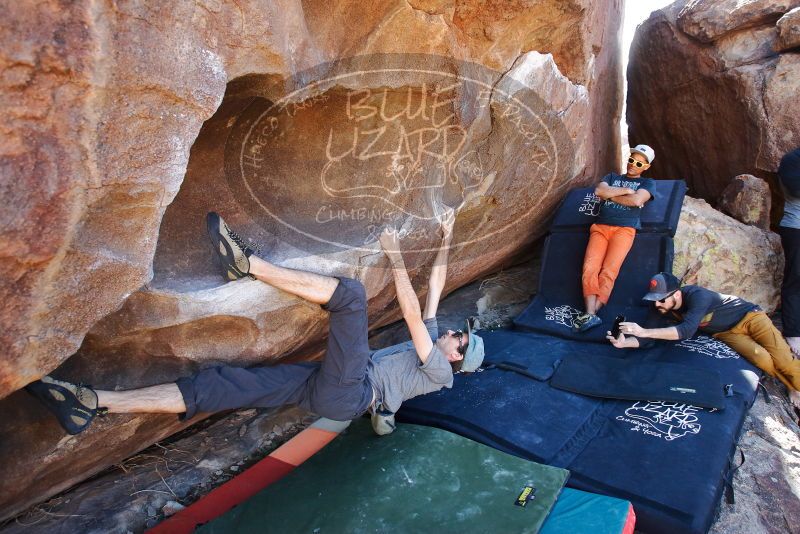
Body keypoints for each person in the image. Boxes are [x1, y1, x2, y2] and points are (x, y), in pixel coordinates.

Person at [27, 211, 485, 436]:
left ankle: (249, 266)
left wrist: (395, 253)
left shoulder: (440, 372)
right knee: (221, 386)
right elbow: (434, 291)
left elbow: (409, 310)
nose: (451, 333)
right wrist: (446, 235)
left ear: (456, 358)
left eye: (459, 338)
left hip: (351, 389)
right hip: (328, 388)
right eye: (458, 331)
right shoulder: (438, 352)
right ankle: (93, 402)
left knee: (351, 297)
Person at [607, 272, 800, 408]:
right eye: (654, 299)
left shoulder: (698, 296)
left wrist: (643, 332)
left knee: (784, 360)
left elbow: (686, 331)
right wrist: (627, 342)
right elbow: (647, 338)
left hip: (750, 318)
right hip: (726, 332)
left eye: (661, 299)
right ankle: (792, 385)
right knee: (762, 359)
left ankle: (795, 386)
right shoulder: (660, 307)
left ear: (676, 294)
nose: (657, 304)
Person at [573, 144, 657, 332]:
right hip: (600, 227)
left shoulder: (647, 183)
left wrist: (611, 195)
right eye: (631, 160)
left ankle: (591, 314)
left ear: (646, 167)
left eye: (638, 163)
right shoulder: (611, 177)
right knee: (589, 268)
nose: (633, 165)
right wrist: (625, 191)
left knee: (609, 271)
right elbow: (599, 192)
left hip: (624, 230)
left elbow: (637, 200)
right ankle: (591, 315)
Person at [778, 148, 800, 356]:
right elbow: (796, 189)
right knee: (796, 279)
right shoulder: (792, 160)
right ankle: (793, 333)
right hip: (797, 229)